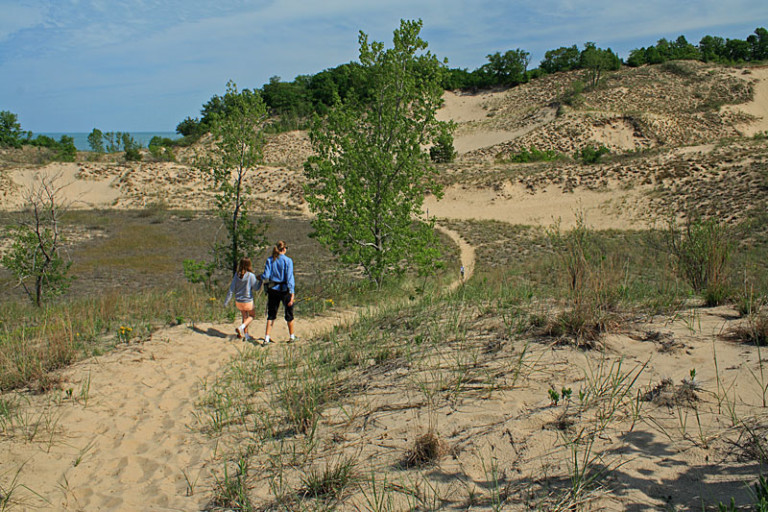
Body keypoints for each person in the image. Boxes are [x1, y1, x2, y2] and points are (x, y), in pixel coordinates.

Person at [258, 240, 296, 344]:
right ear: (284, 249)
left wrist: (259, 277)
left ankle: (266, 337)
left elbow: (265, 276)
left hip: (273, 290)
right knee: (289, 313)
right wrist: (292, 293)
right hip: (285, 290)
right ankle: (292, 336)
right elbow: (289, 278)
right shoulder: (288, 261)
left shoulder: (270, 260)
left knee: (271, 314)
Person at [224, 257, 260, 342]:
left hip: (238, 300)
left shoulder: (237, 275)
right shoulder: (251, 275)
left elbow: (231, 289)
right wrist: (260, 280)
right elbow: (256, 288)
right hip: (247, 300)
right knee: (252, 316)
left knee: (244, 317)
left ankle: (246, 335)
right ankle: (241, 328)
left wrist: (226, 301)